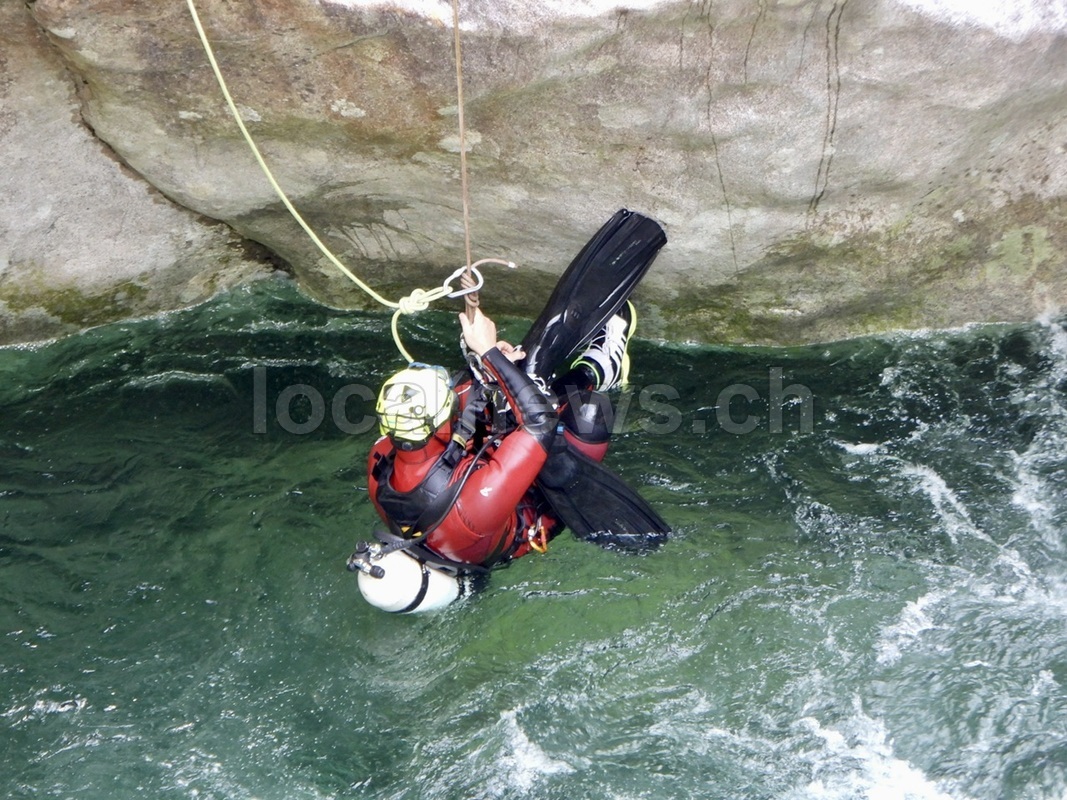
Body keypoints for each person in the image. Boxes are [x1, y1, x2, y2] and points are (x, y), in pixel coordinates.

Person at [351, 208, 670, 612]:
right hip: (526, 507)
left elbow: (467, 398)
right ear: (437, 421)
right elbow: (539, 424)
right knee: (585, 414)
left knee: (518, 376)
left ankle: (565, 369)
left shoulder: (383, 459)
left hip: (470, 480)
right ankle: (599, 369)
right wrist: (489, 354)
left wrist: (491, 364)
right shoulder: (474, 509)